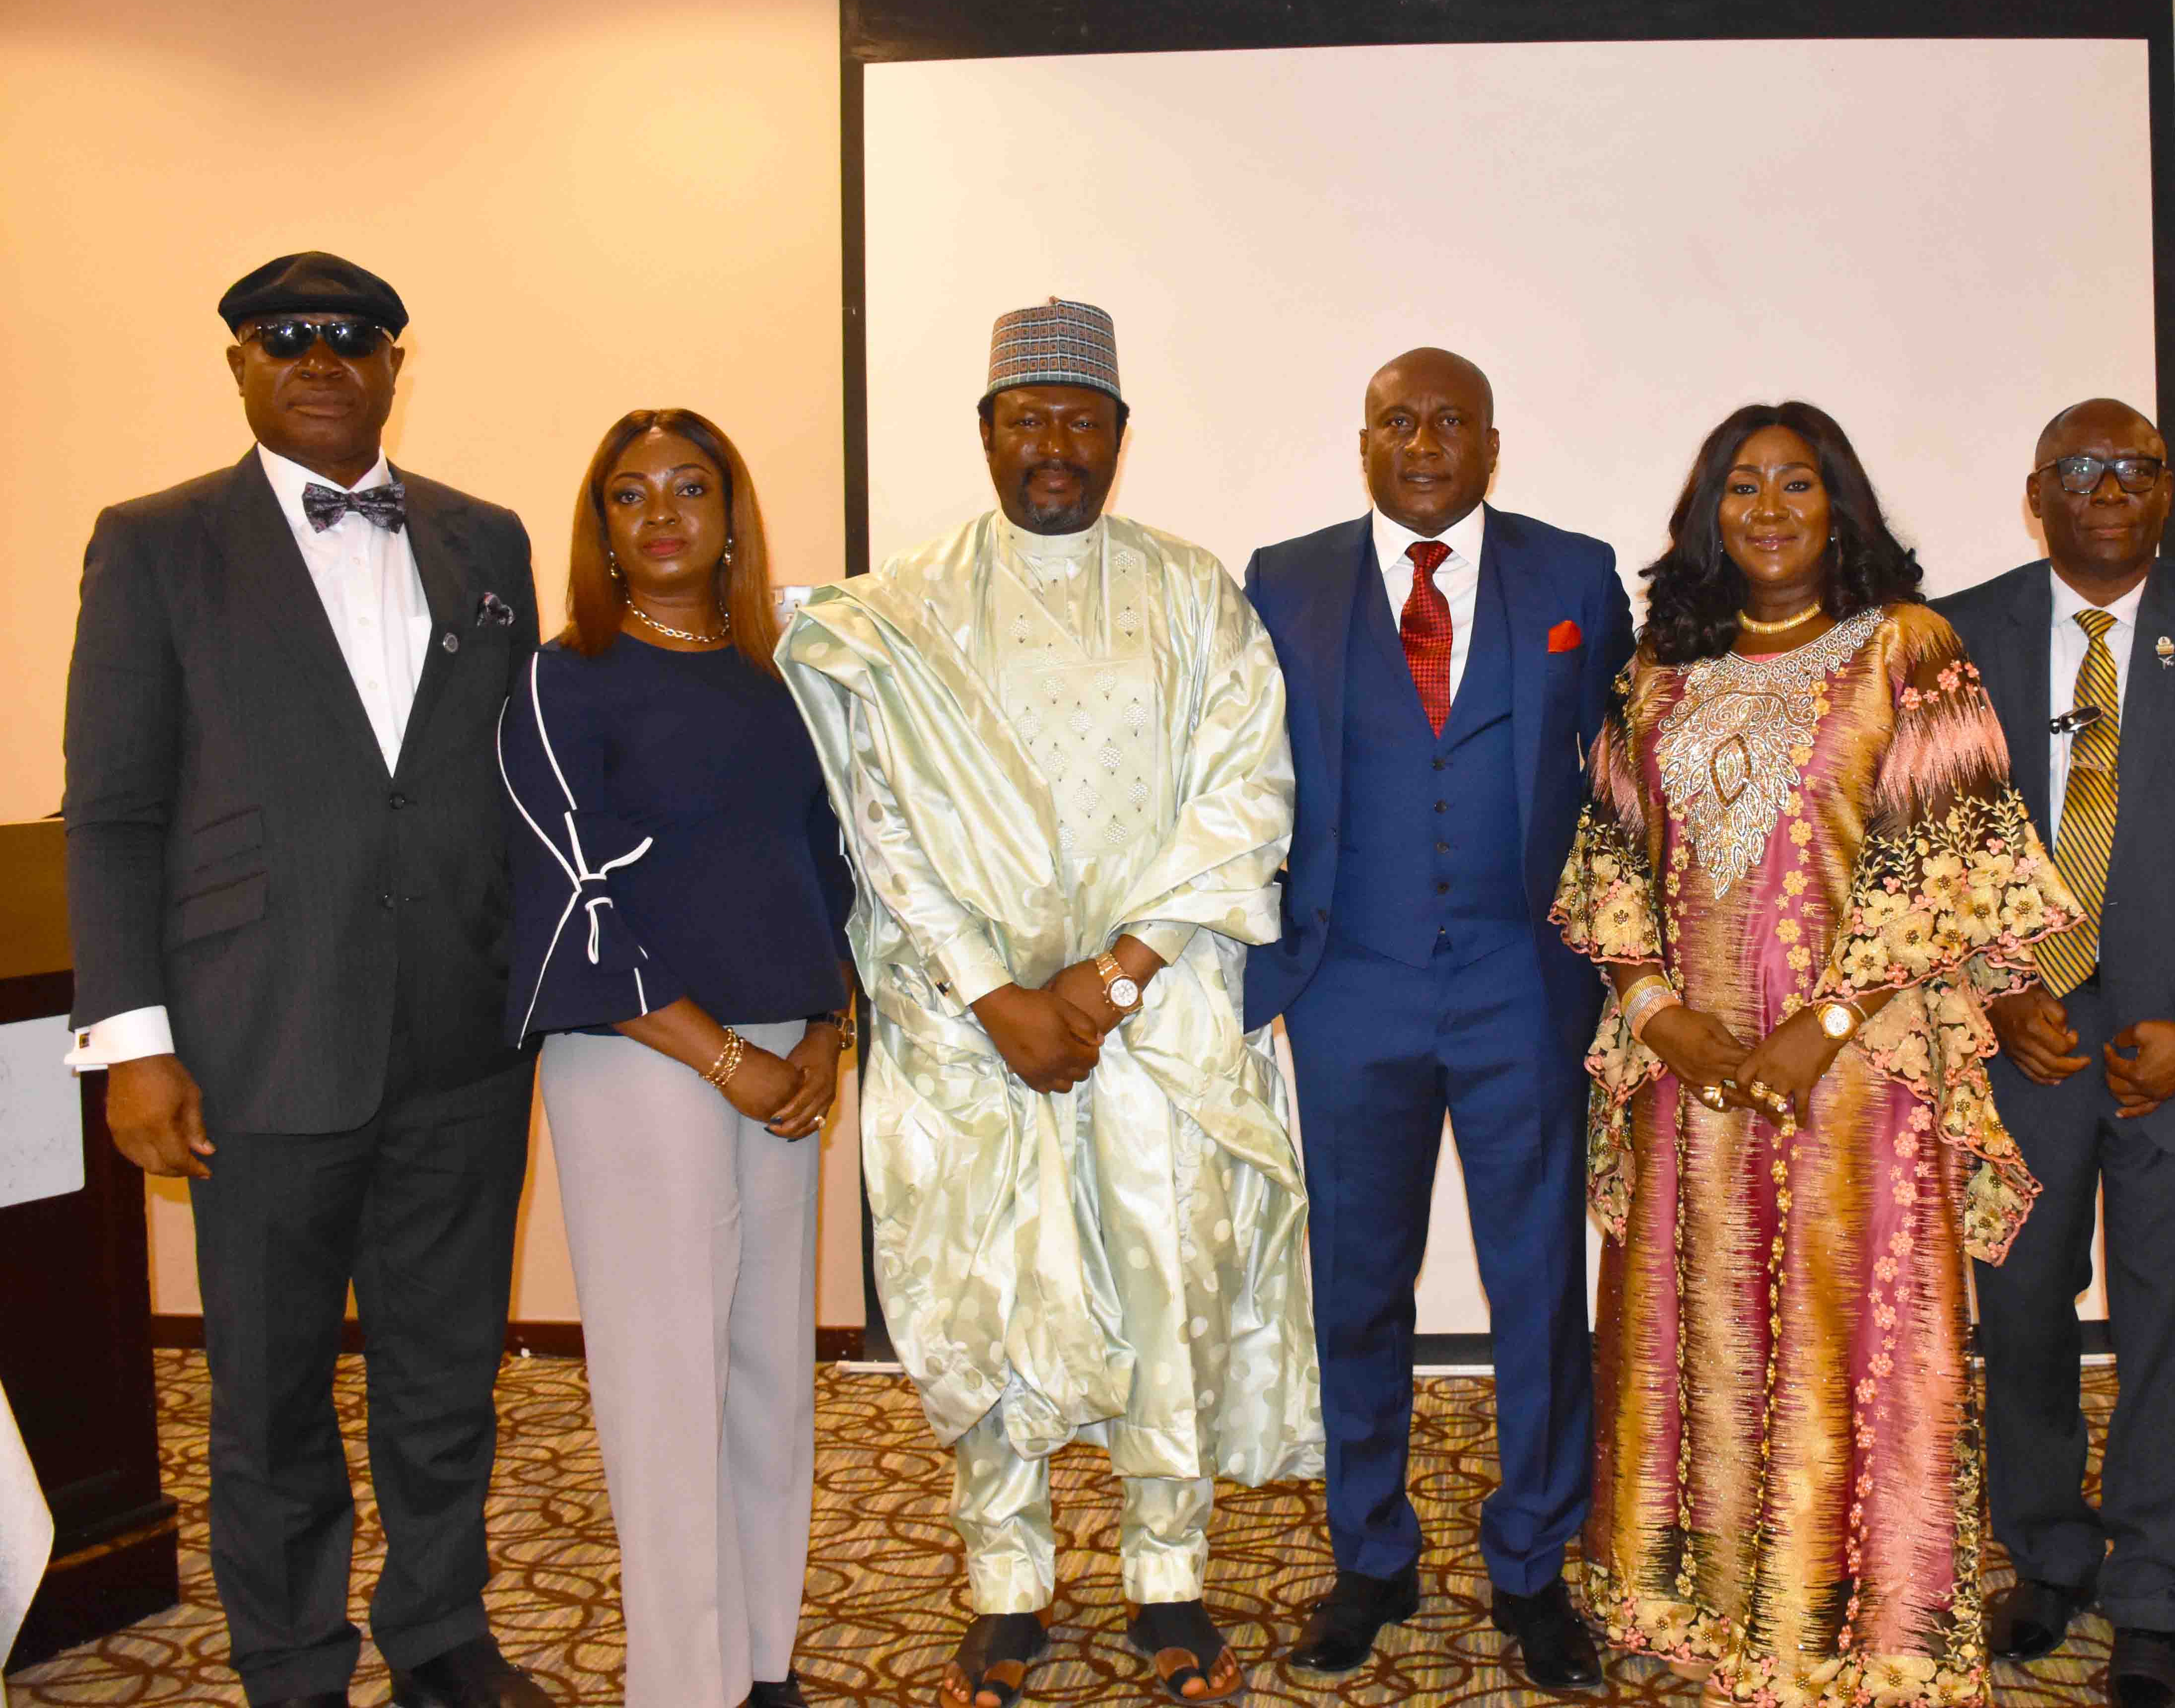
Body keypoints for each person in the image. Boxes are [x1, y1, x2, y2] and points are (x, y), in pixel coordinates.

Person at [777, 299, 1319, 1708]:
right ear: (987, 433)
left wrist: (1115, 975)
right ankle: (1005, 1583)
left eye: (1084, 420)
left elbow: (1243, 794)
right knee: (984, 1287)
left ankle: (1167, 1575)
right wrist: (993, 995)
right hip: (971, 1030)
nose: (1057, 447)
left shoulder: (1198, 595)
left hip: (1157, 1007)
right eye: (1031, 420)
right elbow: (878, 823)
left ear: (1122, 438)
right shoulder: (902, 611)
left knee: (1166, 1282)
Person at [61, 253, 550, 1708]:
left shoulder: (489, 539)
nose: (319, 357)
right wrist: (132, 1041)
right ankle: (290, 1664)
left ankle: (442, 1634)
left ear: (399, 363)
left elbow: (517, 783)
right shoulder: (154, 544)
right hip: (255, 1049)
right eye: (285, 338)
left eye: (352, 336)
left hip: (463, 1045)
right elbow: (116, 812)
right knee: (270, 1399)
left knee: (445, 1374)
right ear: (239, 365)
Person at [1555, 401, 2075, 1708]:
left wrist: (1822, 1028)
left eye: (1799, 483)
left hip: (1860, 1086)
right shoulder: (1658, 668)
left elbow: (1948, 865)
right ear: (1707, 513)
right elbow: (1613, 860)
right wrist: (1661, 1013)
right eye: (1744, 486)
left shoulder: (1910, 650)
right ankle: (1700, 1609)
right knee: (1695, 1343)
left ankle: (1860, 1625)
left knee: (1857, 1349)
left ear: (1840, 502)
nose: (1772, 509)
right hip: (1690, 1084)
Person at [1241, 348, 1631, 1692]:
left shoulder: (1576, 576)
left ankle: (1534, 1563)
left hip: (1523, 984)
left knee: (1538, 1287)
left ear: (1492, 443)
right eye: (1398, 420)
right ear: (1364, 443)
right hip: (1350, 984)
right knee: (1356, 1286)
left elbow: (1620, 778)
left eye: (1449, 420)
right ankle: (1373, 1555)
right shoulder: (1282, 582)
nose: (1424, 440)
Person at [1933, 398, 2175, 1708]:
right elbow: (1922, 838)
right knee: (2021, 1317)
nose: (2110, 488)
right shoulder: (1961, 634)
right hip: (2019, 1050)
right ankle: (2048, 1558)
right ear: (2035, 495)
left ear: (2166, 491)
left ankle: (2155, 1592)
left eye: (2137, 468)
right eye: (2081, 470)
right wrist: (1990, 994)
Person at [497, 410, 853, 1708]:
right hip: (642, 1059)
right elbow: (570, 898)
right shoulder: (565, 679)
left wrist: (823, 1034)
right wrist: (726, 1062)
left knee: (767, 1374)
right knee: (666, 1394)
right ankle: (680, 1687)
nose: (662, 514)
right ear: (599, 527)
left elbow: (829, 868)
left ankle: (762, 1666)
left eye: (691, 488)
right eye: (631, 494)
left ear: (731, 515)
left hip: (779, 1056)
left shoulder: (780, 677)